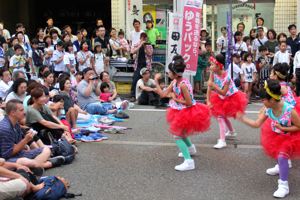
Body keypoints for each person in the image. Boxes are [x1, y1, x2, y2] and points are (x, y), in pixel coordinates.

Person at [236, 79, 300, 198]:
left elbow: (298, 126)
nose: (262, 102)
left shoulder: (289, 110)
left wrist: (283, 128)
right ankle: (281, 167)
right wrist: (242, 118)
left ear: (272, 99)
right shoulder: (268, 109)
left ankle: (283, 185)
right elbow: (256, 124)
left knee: (282, 156)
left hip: (290, 136)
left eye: (263, 100)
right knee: (278, 155)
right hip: (276, 134)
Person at [153, 55, 211, 171]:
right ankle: (190, 148)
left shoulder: (183, 85)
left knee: (177, 136)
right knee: (181, 133)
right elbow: (163, 94)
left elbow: (189, 102)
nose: (168, 74)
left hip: (187, 112)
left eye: (169, 72)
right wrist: (155, 81)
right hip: (179, 110)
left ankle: (189, 161)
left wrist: (175, 99)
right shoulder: (174, 82)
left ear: (175, 74)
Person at [0, 99, 65, 168]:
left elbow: (18, 147)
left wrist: (22, 144)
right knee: (24, 161)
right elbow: (7, 155)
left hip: (18, 155)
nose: (24, 112)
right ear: (13, 113)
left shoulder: (16, 124)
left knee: (46, 150)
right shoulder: (5, 128)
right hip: (6, 160)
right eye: (21, 110)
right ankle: (47, 164)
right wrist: (25, 140)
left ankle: (32, 167)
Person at [206, 54, 248, 149]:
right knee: (222, 116)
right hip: (220, 96)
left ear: (219, 66)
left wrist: (213, 85)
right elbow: (209, 88)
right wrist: (208, 101)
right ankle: (232, 132)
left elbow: (224, 92)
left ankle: (222, 141)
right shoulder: (213, 73)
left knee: (220, 118)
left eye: (212, 65)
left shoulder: (227, 76)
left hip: (230, 96)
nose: (210, 67)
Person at [130, 32, 153, 102]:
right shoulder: (136, 45)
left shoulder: (149, 46)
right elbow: (133, 52)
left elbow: (150, 54)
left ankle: (150, 96)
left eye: (145, 39)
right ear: (140, 39)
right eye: (143, 39)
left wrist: (145, 47)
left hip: (146, 65)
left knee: (148, 80)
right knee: (135, 80)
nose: (144, 41)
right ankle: (133, 96)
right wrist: (140, 46)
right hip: (138, 66)